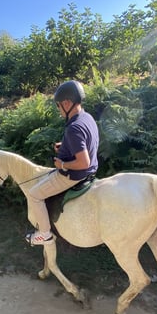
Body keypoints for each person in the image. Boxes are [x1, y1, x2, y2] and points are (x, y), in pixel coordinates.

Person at [26, 80, 100, 245]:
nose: (59, 110)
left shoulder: (73, 128)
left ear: (67, 103)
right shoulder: (87, 117)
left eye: (58, 106)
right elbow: (87, 143)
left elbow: (83, 162)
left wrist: (62, 165)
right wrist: (66, 146)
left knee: (34, 195)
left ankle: (44, 234)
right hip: (92, 172)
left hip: (75, 175)